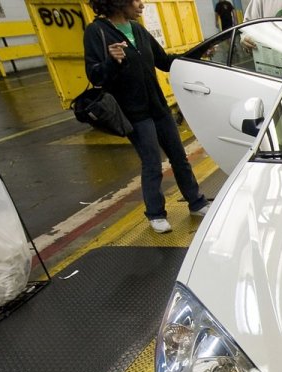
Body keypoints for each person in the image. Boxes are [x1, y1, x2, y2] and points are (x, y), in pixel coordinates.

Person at [83, 0, 209, 234]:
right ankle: (156, 214)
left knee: (179, 157)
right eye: (136, 0)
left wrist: (197, 54)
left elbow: (164, 61)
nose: (141, 5)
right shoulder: (96, 31)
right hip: (134, 112)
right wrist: (111, 62)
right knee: (152, 163)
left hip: (158, 107)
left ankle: (196, 202)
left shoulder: (138, 29)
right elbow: (95, 75)